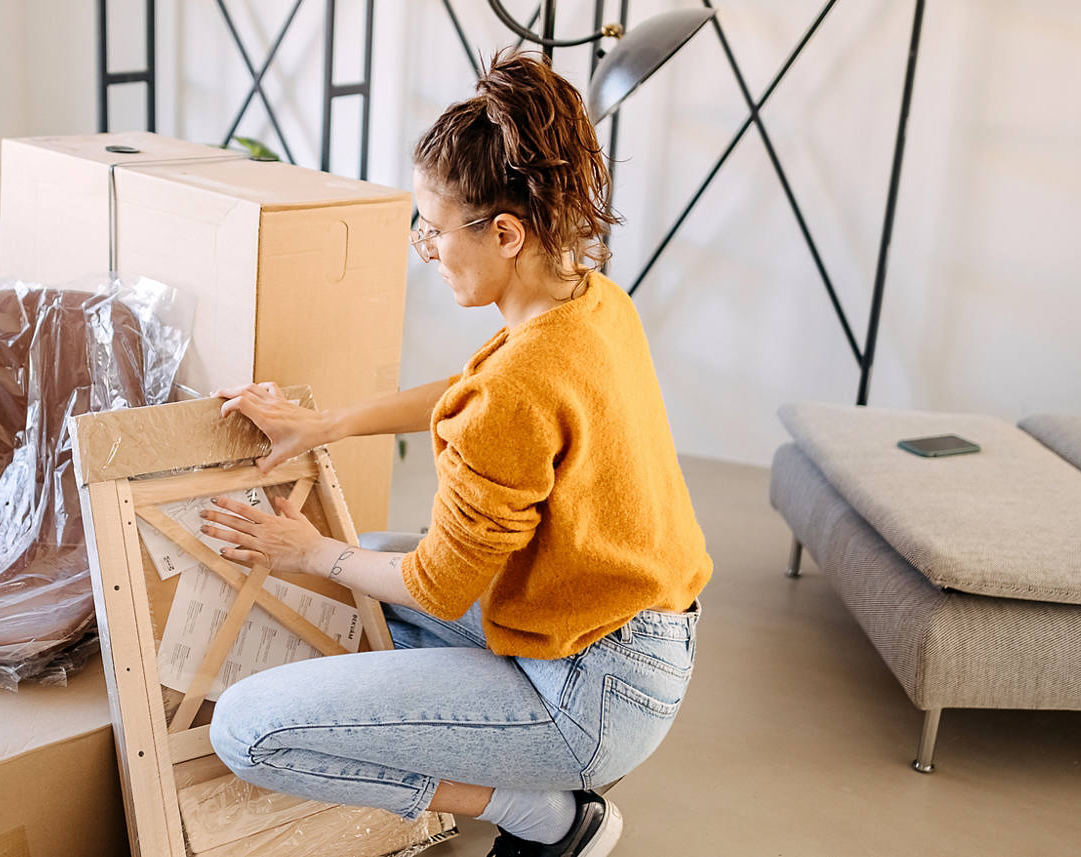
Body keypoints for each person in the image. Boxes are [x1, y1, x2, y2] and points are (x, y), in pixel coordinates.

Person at [199, 49, 712, 857]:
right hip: (629, 637)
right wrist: (326, 424)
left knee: (247, 729)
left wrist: (310, 549)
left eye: (434, 230)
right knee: (363, 574)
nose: (423, 246)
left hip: (589, 695)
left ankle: (547, 815)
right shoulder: (591, 302)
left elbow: (440, 588)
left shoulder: (519, 382)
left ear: (505, 234)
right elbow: (473, 386)